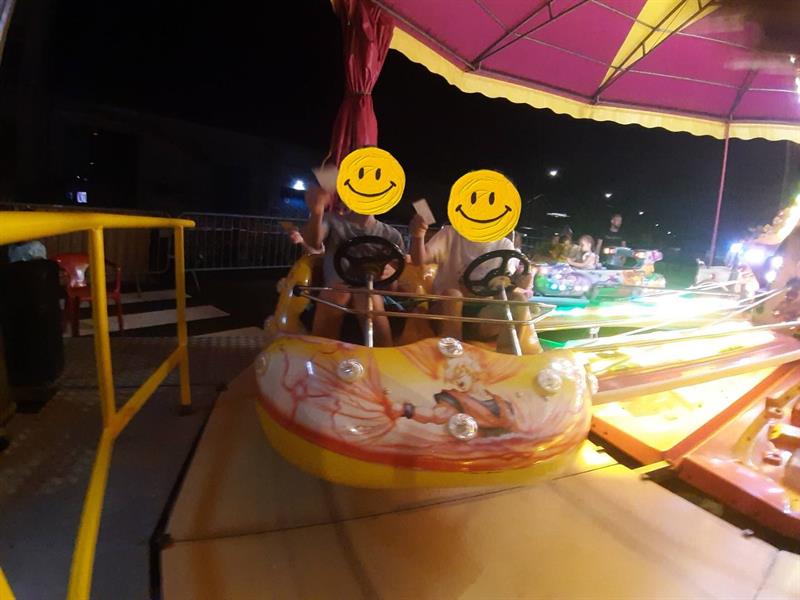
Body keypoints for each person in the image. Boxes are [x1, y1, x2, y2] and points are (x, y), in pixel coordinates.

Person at [409, 214, 540, 353]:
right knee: (453, 294)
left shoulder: (504, 245)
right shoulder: (450, 234)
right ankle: (452, 350)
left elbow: (504, 284)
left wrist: (521, 283)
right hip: (445, 309)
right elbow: (419, 260)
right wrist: (418, 235)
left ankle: (508, 356)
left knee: (519, 300)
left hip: (482, 314)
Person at [302, 185, 405, 346]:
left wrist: (390, 274)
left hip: (372, 290)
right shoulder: (332, 220)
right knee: (337, 294)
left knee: (368, 297)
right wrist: (317, 211)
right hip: (336, 289)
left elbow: (394, 286)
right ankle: (322, 351)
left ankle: (382, 351)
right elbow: (312, 243)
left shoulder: (392, 235)